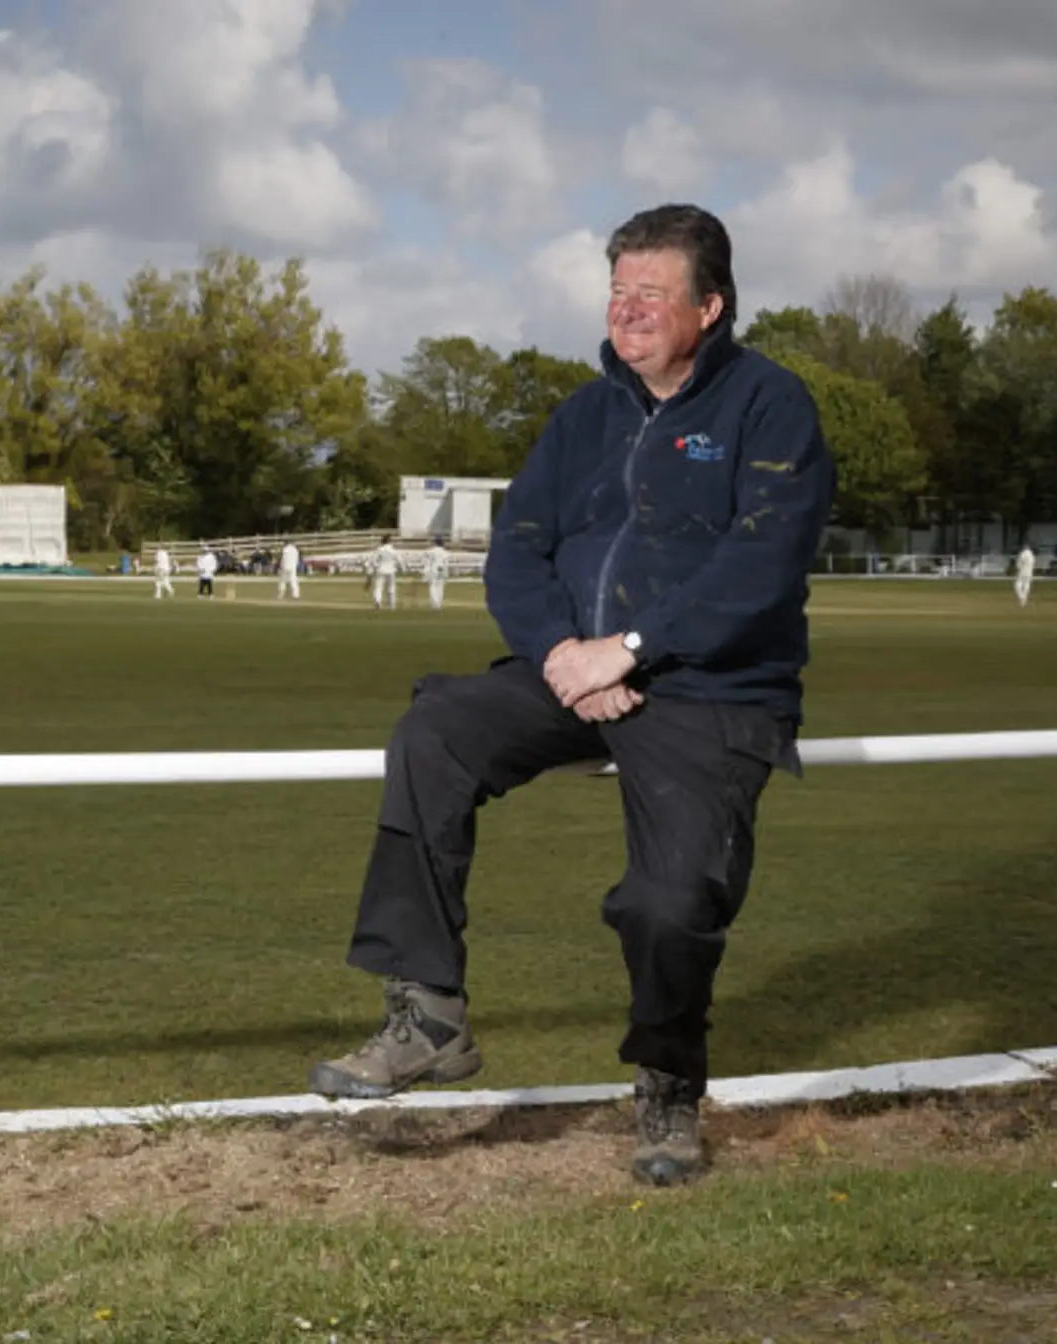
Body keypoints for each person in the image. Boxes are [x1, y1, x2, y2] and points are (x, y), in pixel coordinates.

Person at [307, 203, 836, 1188]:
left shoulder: (770, 406)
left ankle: (668, 1083)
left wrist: (627, 651)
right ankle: (427, 1012)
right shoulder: (584, 416)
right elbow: (519, 551)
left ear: (710, 307)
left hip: (708, 688)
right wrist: (560, 653)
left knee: (671, 901)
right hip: (572, 671)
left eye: (651, 294)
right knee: (434, 732)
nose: (625, 311)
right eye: (617, 291)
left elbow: (761, 565)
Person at [371, 535, 401, 610]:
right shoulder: (393, 550)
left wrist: (376, 567)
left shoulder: (379, 549)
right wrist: (401, 568)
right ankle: (391, 604)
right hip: (391, 570)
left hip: (381, 570)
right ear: (390, 541)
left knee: (378, 587)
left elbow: (373, 560)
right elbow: (399, 560)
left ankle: (378, 601)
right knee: (391, 587)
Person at [424, 537, 451, 611]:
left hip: (434, 568)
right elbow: (446, 563)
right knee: (440, 586)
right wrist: (446, 573)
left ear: (435, 543)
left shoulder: (432, 551)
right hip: (442, 568)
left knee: (433, 586)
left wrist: (426, 571)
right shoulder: (445, 552)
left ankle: (435, 603)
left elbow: (426, 556)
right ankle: (438, 603)